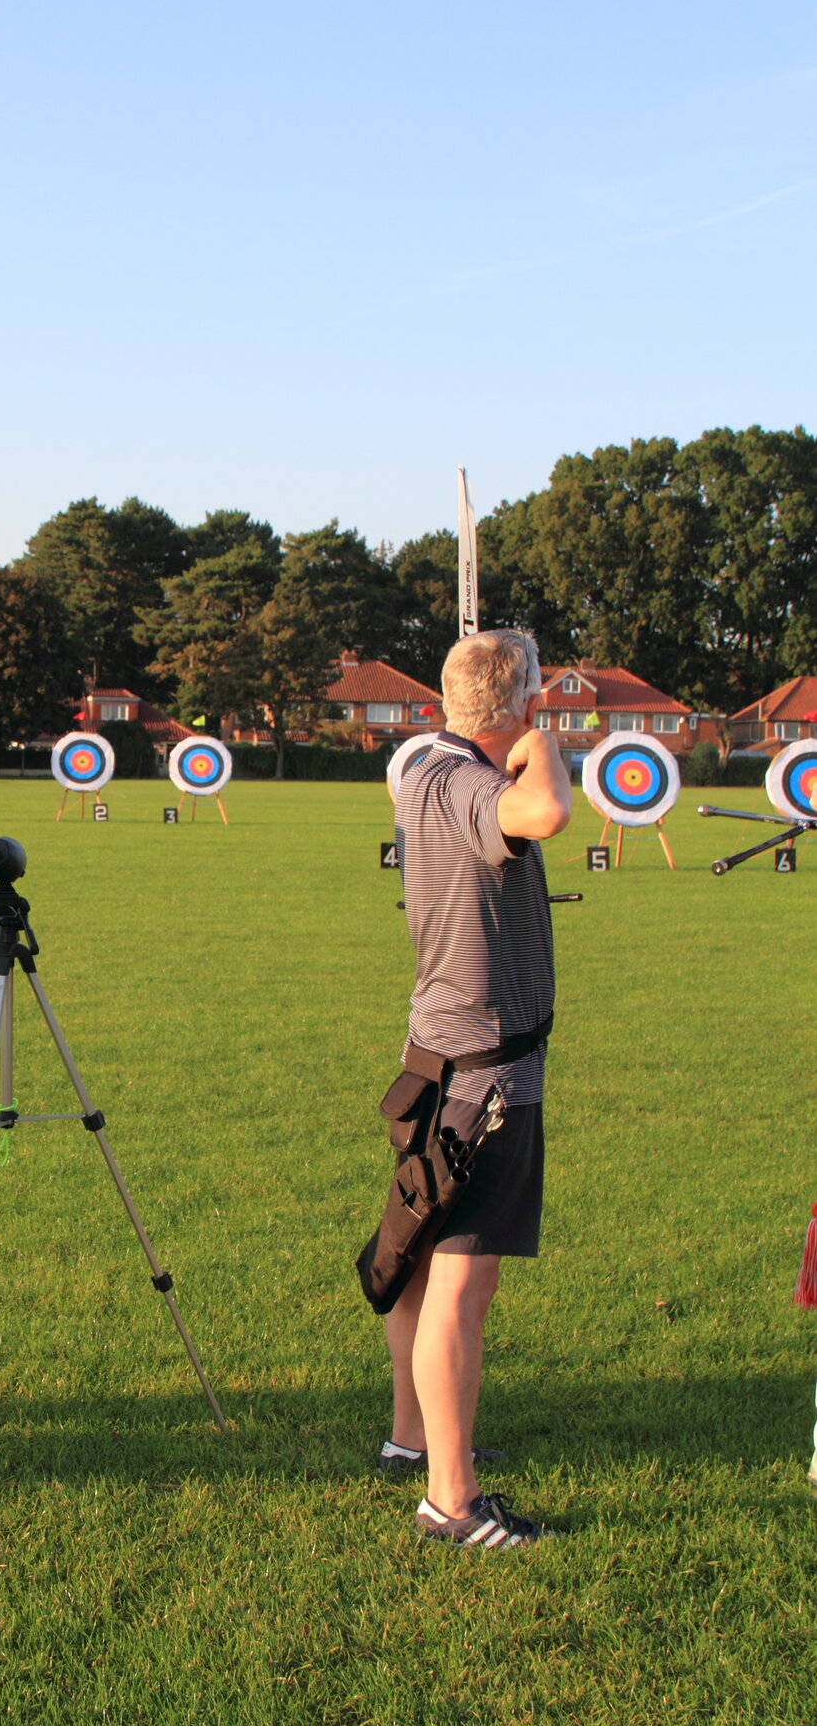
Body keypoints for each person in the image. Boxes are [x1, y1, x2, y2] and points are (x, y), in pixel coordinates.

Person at [379, 629, 573, 1548]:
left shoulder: (427, 773)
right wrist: (547, 746)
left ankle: (414, 1441)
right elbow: (546, 815)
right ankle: (451, 1505)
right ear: (522, 703)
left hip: (443, 1059)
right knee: (461, 1282)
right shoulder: (468, 784)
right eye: (537, 698)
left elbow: (469, 776)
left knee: (420, 1255)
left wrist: (506, 723)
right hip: (486, 1071)